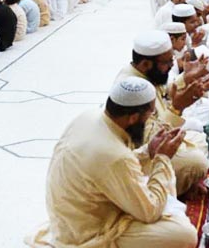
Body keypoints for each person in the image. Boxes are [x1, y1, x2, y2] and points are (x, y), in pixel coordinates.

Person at [26, 77, 197, 248]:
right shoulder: (116, 156)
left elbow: (109, 166)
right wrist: (163, 159)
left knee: (157, 188)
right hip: (87, 233)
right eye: (149, 114)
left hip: (70, 218)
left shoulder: (89, 116)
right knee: (184, 234)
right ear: (133, 118)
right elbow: (150, 212)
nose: (148, 120)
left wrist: (148, 151)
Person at [114, 30, 209, 196]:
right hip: (138, 157)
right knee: (196, 162)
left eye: (172, 59)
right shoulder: (134, 87)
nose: (172, 65)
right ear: (145, 64)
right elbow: (152, 140)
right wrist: (177, 108)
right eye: (167, 62)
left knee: (198, 138)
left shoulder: (147, 73)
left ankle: (182, 183)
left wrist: (186, 78)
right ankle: (164, 193)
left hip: (155, 138)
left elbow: (165, 92)